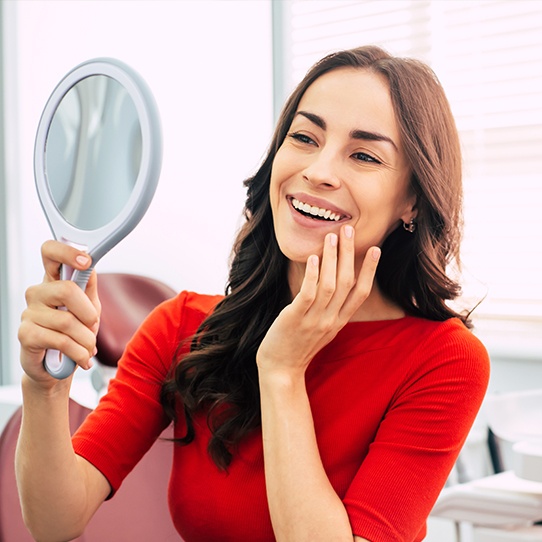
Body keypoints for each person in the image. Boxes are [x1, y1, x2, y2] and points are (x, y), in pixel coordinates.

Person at [17, 45, 490, 542]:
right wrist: (44, 388)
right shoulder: (180, 328)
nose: (319, 170)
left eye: (364, 155)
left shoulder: (445, 361)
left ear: (412, 201)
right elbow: (54, 522)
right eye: (304, 137)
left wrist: (283, 372)